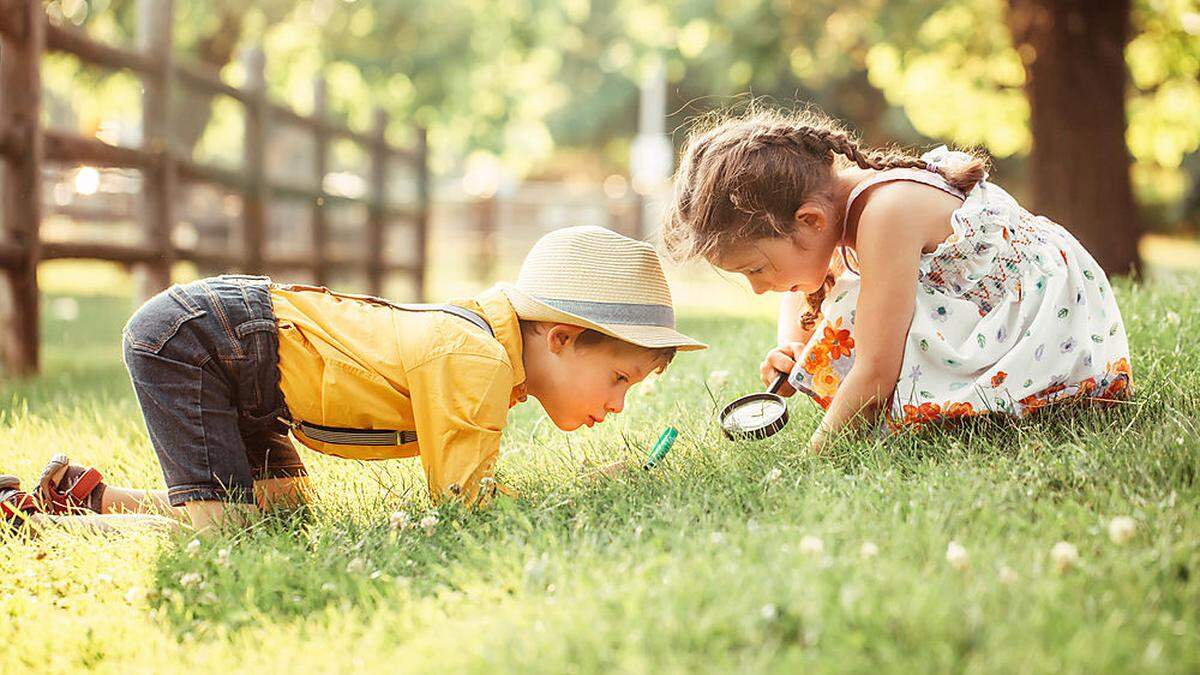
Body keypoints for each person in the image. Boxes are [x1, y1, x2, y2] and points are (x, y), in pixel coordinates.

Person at [2, 226, 705, 533]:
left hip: (247, 356)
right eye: (618, 378)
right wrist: (586, 490)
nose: (617, 404)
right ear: (559, 338)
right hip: (208, 338)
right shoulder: (478, 359)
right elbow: (465, 501)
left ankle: (83, 499)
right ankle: (33, 518)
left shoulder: (491, 354)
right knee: (223, 534)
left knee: (280, 511)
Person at [663, 108, 1131, 452]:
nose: (759, 289)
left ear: (809, 221)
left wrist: (815, 456)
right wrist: (792, 344)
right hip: (997, 305)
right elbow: (808, 287)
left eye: (756, 270)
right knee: (850, 307)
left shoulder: (886, 214)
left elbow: (875, 370)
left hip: (1045, 322)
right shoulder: (834, 206)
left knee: (858, 318)